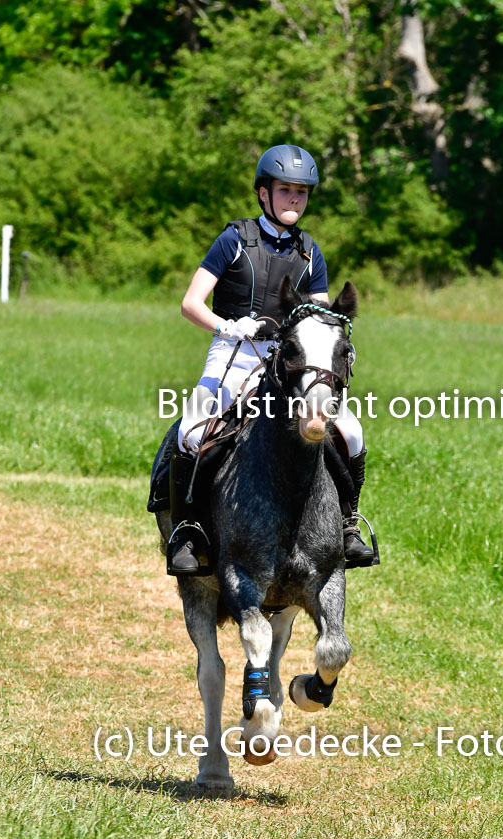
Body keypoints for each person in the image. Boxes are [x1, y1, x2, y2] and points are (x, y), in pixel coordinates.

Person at [166, 143, 375, 574]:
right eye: (285, 190)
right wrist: (229, 326)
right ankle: (186, 529)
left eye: (302, 191)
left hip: (288, 364)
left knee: (350, 433)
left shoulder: (309, 251)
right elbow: (191, 303)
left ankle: (348, 525)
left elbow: (317, 315)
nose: (294, 199)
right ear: (264, 193)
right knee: (191, 429)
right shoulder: (233, 240)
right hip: (233, 354)